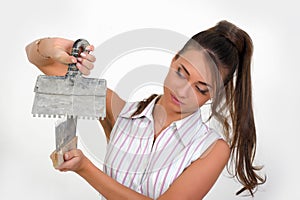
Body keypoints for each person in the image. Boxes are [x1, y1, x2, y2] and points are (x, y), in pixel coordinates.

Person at [25, 20, 265, 199]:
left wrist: (85, 168)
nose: (183, 92)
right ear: (173, 60)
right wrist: (50, 46)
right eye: (182, 73)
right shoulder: (121, 114)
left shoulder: (211, 149)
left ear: (215, 94)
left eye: (201, 89)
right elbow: (42, 62)